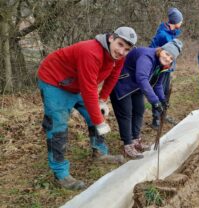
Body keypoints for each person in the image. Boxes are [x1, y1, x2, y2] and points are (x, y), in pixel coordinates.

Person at [37, 26, 137, 190]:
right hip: (55, 81)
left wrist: (103, 100)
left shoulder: (119, 57)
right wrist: (99, 121)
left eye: (126, 49)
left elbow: (113, 77)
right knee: (58, 126)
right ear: (111, 38)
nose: (122, 52)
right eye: (120, 45)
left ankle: (100, 153)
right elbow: (89, 89)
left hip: (77, 84)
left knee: (95, 114)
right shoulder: (90, 51)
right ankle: (60, 173)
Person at [110, 39, 183, 159]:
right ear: (162, 50)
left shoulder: (162, 64)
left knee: (139, 110)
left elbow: (158, 84)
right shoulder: (147, 56)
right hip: (122, 84)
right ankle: (127, 145)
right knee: (126, 113)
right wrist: (154, 101)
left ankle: (135, 140)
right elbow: (142, 78)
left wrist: (162, 100)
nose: (168, 59)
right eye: (167, 54)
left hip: (136, 87)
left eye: (171, 58)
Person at [149, 7, 183, 129]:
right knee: (159, 91)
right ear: (175, 22)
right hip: (160, 67)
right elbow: (159, 51)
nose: (181, 23)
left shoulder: (170, 32)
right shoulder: (164, 35)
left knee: (165, 91)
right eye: (180, 21)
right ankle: (156, 119)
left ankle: (163, 114)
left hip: (167, 67)